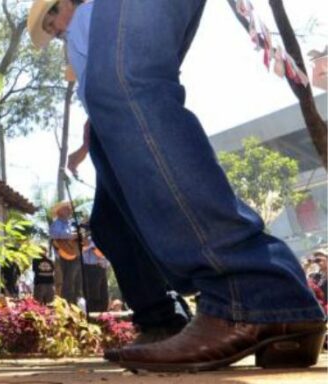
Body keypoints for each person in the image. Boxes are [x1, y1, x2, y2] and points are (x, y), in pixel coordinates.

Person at [28, 0, 326, 371]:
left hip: (113, 107)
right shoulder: (81, 32)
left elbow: (117, 81)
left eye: (52, 15)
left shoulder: (87, 17)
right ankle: (239, 303)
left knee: (125, 80)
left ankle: (251, 291)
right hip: (106, 123)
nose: (53, 27)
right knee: (109, 219)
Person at [49, 201, 83, 304]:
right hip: (61, 256)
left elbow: (78, 237)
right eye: (66, 208)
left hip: (74, 255)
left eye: (69, 208)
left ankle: (72, 303)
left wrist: (80, 236)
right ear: (59, 211)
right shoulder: (56, 224)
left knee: (73, 281)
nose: (69, 210)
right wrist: (70, 236)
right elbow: (54, 234)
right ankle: (63, 304)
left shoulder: (73, 224)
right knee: (62, 282)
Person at [81, 236, 109, 313]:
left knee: (104, 296)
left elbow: (103, 255)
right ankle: (93, 315)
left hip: (102, 268)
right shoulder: (86, 238)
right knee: (93, 295)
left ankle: (103, 316)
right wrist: (92, 246)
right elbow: (83, 249)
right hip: (90, 268)